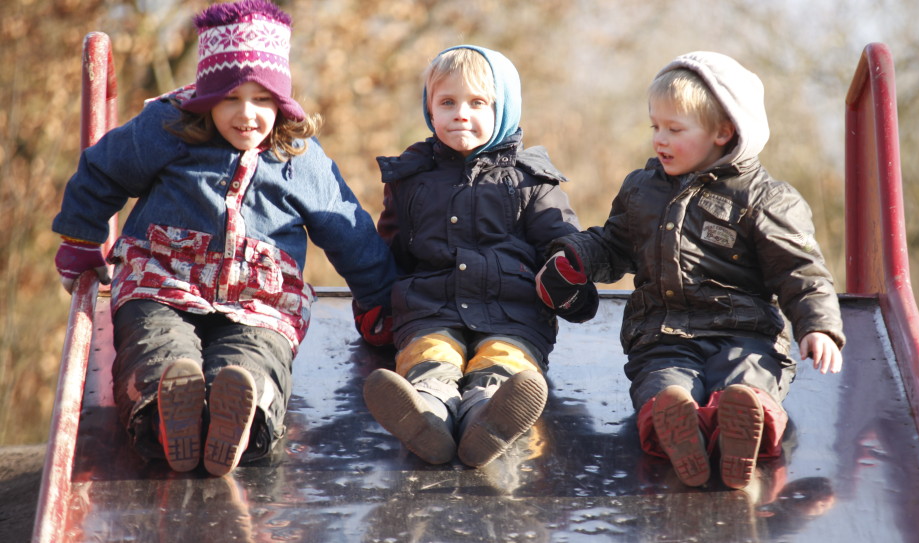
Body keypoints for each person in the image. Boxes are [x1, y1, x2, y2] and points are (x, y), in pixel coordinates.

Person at [52, 0, 398, 477]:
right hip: (161, 281)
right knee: (155, 345)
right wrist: (80, 241)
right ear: (205, 98)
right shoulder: (169, 129)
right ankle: (165, 412)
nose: (247, 115)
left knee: (256, 357)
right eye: (230, 98)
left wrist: (383, 301)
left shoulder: (299, 157)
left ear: (281, 102)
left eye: (262, 100)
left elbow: (347, 226)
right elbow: (102, 169)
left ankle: (243, 418)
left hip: (261, 301)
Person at [535, 51, 845, 489]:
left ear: (723, 131)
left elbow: (800, 270)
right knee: (662, 387)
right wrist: (577, 257)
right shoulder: (642, 188)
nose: (659, 139)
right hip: (662, 336)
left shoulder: (764, 199)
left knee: (749, 378)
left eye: (675, 129)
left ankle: (744, 422)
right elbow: (616, 243)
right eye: (655, 126)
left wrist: (819, 326)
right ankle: (677, 424)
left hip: (744, 332)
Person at [363, 45, 594, 468]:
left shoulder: (530, 179)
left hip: (513, 309)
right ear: (429, 108)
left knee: (503, 357)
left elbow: (560, 235)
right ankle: (428, 414)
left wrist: (568, 271)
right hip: (430, 305)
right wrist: (373, 302)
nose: (461, 113)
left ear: (503, 109)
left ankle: (487, 416)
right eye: (447, 102)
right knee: (430, 354)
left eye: (477, 103)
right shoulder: (410, 178)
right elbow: (390, 250)